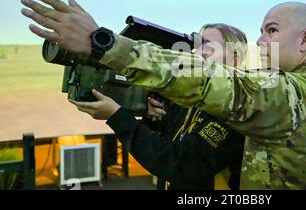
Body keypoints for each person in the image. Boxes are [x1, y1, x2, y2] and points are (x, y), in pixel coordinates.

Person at [21, 0, 306, 189]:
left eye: (271, 31)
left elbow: (184, 160)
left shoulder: (295, 95)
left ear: (305, 39)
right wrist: (159, 119)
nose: (261, 41)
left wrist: (105, 45)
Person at [70, 23, 248, 190]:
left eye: (208, 46)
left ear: (234, 57)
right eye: (198, 46)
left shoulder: (235, 108)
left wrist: (116, 117)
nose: (197, 53)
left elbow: (179, 166)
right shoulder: (189, 99)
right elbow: (159, 146)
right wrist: (151, 117)